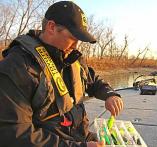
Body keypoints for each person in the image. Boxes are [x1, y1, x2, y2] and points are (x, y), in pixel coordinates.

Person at [0, 1, 123, 147]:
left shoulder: (72, 57)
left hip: (81, 137)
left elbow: (93, 80)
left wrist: (110, 94)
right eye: (73, 38)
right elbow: (15, 134)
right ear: (51, 27)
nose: (76, 46)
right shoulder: (17, 66)